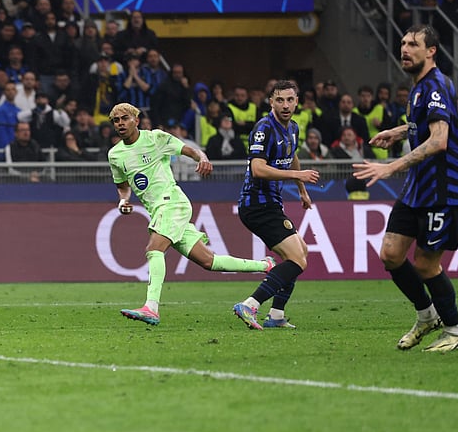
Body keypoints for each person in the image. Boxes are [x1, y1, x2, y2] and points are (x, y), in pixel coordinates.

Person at [353, 25, 458, 353]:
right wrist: (399, 131)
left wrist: (391, 165)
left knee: (425, 264)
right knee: (391, 255)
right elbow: (424, 125)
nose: (404, 49)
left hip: (443, 190)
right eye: (403, 43)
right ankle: (426, 315)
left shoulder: (435, 85)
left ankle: (454, 330)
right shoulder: (419, 87)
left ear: (431, 51)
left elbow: (439, 139)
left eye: (413, 45)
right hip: (419, 188)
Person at [108, 103, 273, 326]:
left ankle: (151, 308)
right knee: (209, 261)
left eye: (124, 118)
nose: (120, 124)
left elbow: (188, 150)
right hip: (158, 210)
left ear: (136, 120)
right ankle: (266, 266)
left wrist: (202, 158)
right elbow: (122, 184)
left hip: (172, 202)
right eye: (116, 121)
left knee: (154, 249)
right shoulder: (115, 155)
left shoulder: (156, 138)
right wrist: (124, 200)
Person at [231, 81, 321, 330]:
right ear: (271, 102)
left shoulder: (293, 128)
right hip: (257, 205)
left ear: (297, 101)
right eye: (279, 100)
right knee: (297, 259)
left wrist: (303, 191)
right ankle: (250, 304)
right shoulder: (263, 127)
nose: (285, 105)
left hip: (271, 204)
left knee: (300, 252)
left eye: (290, 100)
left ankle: (277, 315)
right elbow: (258, 169)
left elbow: (292, 156)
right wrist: (298, 178)